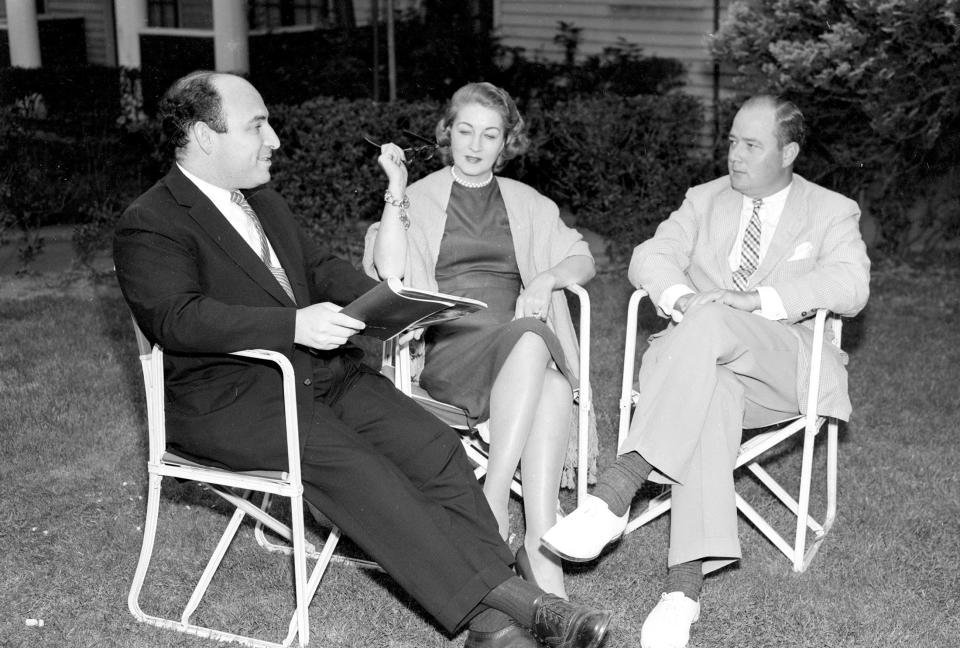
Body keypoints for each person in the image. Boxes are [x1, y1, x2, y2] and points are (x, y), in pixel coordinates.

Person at [114, 70, 614, 648]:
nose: (274, 139)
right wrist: (293, 324)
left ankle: (493, 623)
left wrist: (398, 303)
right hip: (231, 396)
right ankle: (515, 609)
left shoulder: (264, 203)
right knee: (359, 467)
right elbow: (175, 318)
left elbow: (322, 270)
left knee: (434, 446)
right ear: (205, 136)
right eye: (258, 126)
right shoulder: (152, 221)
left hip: (323, 377)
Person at [541, 95, 870, 648]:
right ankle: (683, 595)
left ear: (788, 151)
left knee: (717, 320)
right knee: (711, 393)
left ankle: (617, 490)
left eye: (751, 145)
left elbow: (851, 286)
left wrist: (756, 299)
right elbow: (650, 256)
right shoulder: (704, 200)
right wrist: (683, 298)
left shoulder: (831, 210)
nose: (734, 155)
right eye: (732, 141)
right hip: (702, 373)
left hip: (784, 366)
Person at [363, 81, 597, 598]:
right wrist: (396, 189)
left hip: (517, 352)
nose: (475, 145)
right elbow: (389, 268)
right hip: (450, 350)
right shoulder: (420, 197)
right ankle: (498, 504)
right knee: (538, 346)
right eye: (465, 131)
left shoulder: (526, 202)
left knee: (548, 373)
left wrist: (544, 279)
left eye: (489, 135)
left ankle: (536, 543)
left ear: (505, 142)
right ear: (447, 133)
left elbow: (583, 258)